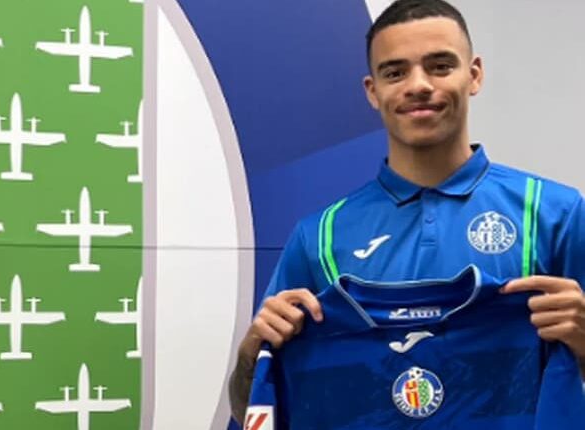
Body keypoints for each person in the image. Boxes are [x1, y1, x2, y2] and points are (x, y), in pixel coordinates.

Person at [228, 0, 585, 425]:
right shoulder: (319, 237)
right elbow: (252, 409)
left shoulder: (555, 214)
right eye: (395, 73)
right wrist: (256, 352)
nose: (418, 85)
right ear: (372, 90)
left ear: (474, 75)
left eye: (439, 66)